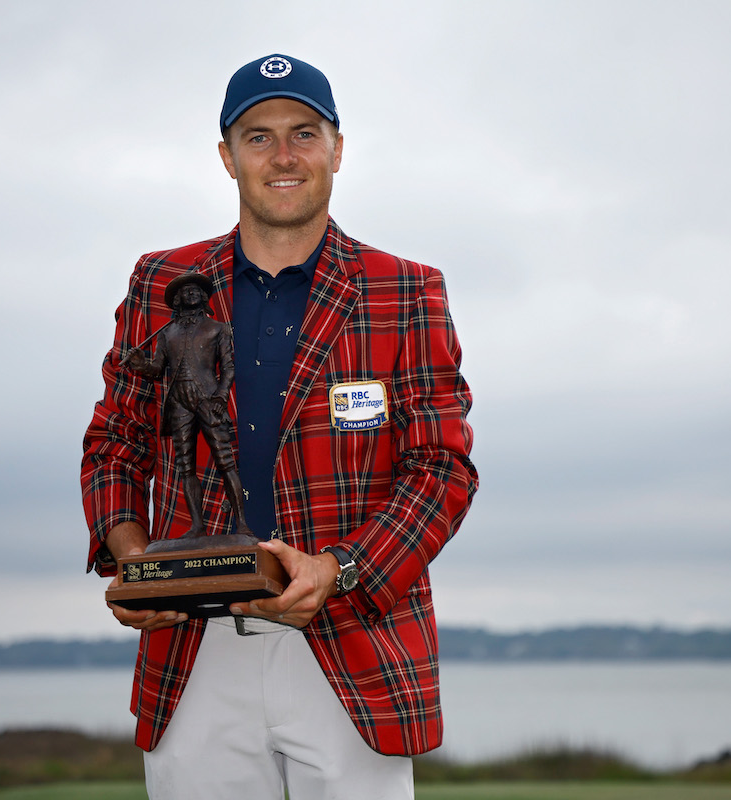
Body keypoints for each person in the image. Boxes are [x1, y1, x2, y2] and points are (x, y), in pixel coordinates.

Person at [80, 53, 478, 799]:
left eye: (304, 132)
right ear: (227, 156)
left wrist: (342, 570)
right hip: (192, 653)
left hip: (351, 645)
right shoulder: (161, 283)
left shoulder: (407, 289)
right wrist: (136, 560)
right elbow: (115, 442)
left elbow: (442, 470)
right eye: (258, 137)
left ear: (337, 148)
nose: (284, 155)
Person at [120, 271, 254, 541]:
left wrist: (220, 396)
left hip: (207, 398)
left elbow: (228, 368)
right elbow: (158, 369)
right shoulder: (166, 333)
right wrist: (140, 364)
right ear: (178, 300)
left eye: (196, 291)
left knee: (225, 461)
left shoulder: (218, 328)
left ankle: (242, 525)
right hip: (179, 400)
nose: (191, 294)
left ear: (203, 297)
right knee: (185, 465)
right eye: (185, 292)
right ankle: (197, 526)